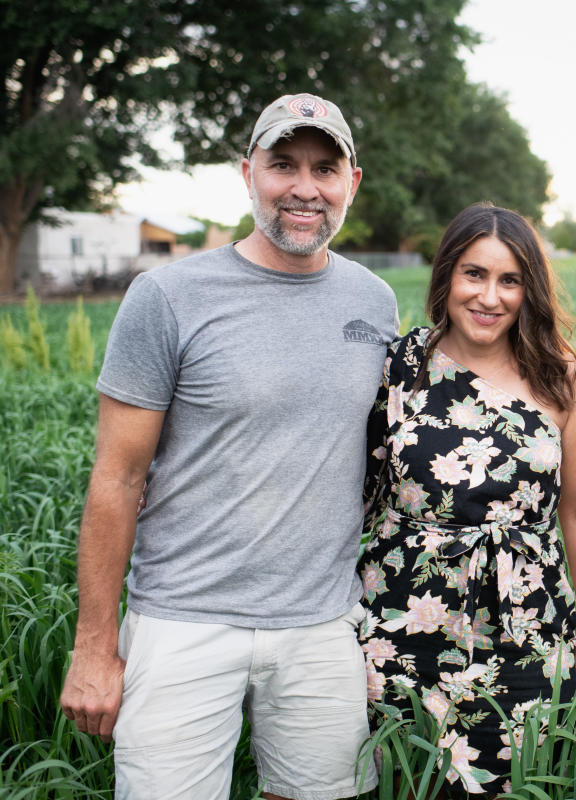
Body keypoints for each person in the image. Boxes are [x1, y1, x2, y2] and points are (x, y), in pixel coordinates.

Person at [59, 92, 396, 800]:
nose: (305, 188)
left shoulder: (374, 302)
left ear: (351, 183)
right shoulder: (168, 296)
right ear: (248, 172)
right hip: (182, 620)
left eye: (325, 169)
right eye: (283, 165)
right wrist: (94, 648)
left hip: (320, 621)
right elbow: (117, 478)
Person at [357, 202, 576, 795]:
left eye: (510, 280)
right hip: (403, 619)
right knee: (405, 783)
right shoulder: (400, 366)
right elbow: (349, 492)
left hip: (526, 625)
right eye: (474, 274)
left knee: (514, 783)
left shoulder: (558, 374)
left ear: (529, 290)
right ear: (446, 276)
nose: (489, 296)